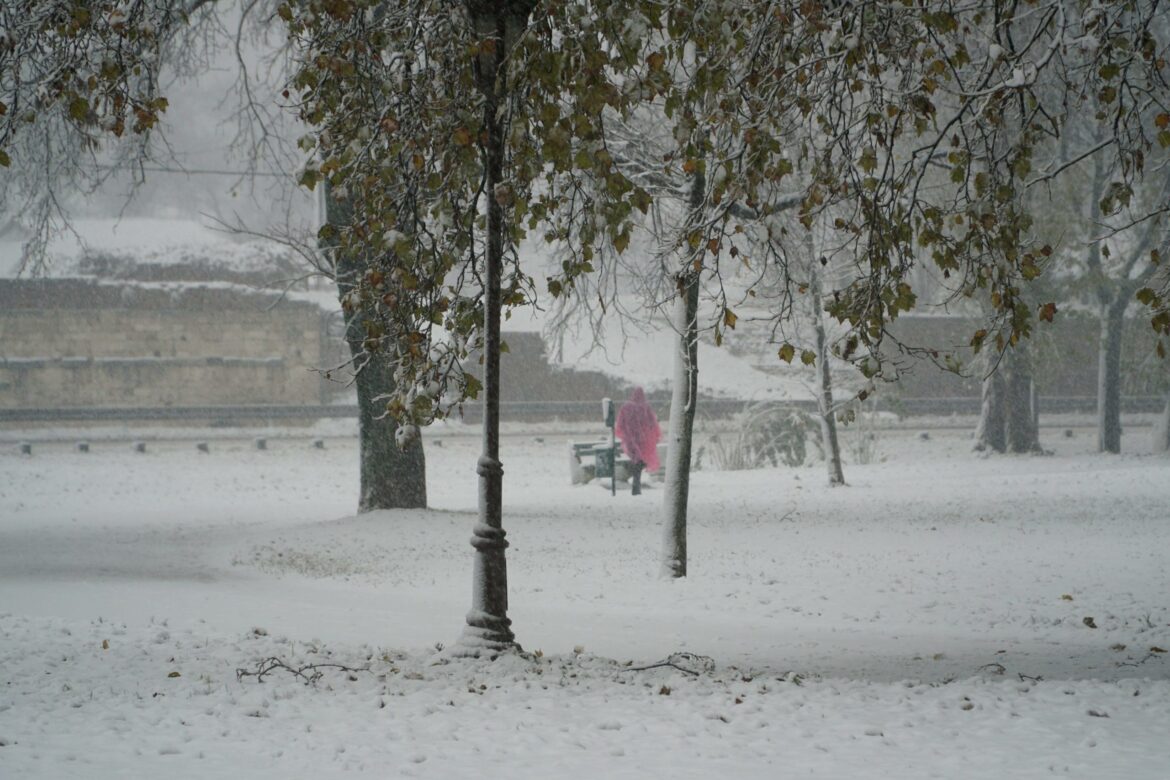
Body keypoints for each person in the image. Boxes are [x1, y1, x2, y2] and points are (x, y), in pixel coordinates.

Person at [614, 386, 661, 496]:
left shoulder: (626, 407)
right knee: (640, 462)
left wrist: (628, 432)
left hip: (630, 439)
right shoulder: (645, 407)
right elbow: (652, 423)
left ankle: (636, 485)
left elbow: (620, 423)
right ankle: (636, 485)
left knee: (636, 460)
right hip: (643, 440)